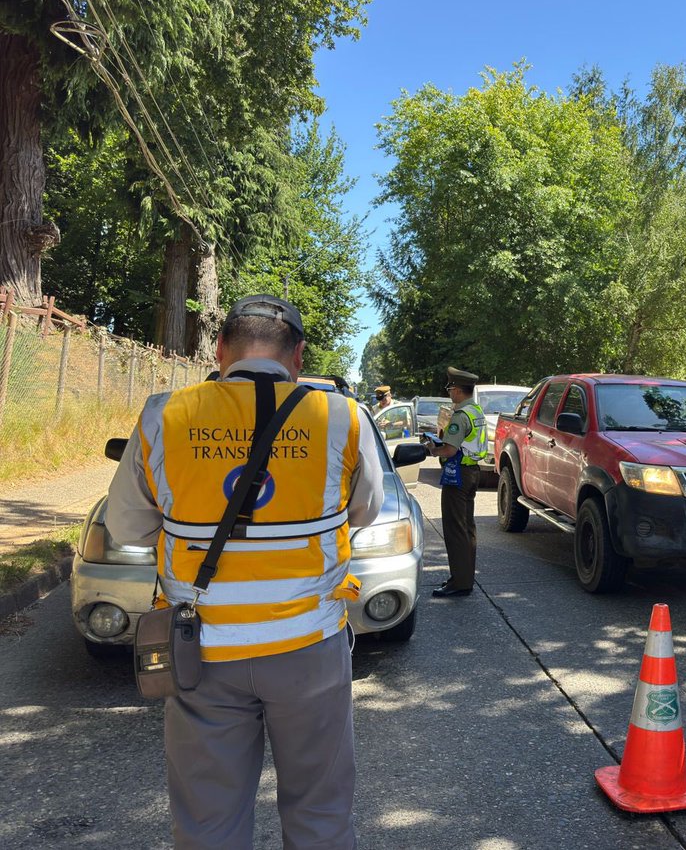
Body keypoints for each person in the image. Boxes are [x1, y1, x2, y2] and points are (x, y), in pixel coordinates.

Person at [106, 294, 384, 850]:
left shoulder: (165, 415)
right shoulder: (342, 418)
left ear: (219, 349)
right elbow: (367, 510)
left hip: (201, 649)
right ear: (298, 357)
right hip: (309, 645)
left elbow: (127, 527)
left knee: (208, 824)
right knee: (321, 813)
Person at [422, 366, 487, 598]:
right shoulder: (476, 411)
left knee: (455, 530)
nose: (449, 393)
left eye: (450, 388)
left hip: (457, 474)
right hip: (472, 473)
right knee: (467, 528)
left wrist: (432, 448)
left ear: (458, 390)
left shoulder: (460, 415)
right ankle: (464, 577)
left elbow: (449, 450)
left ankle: (460, 583)